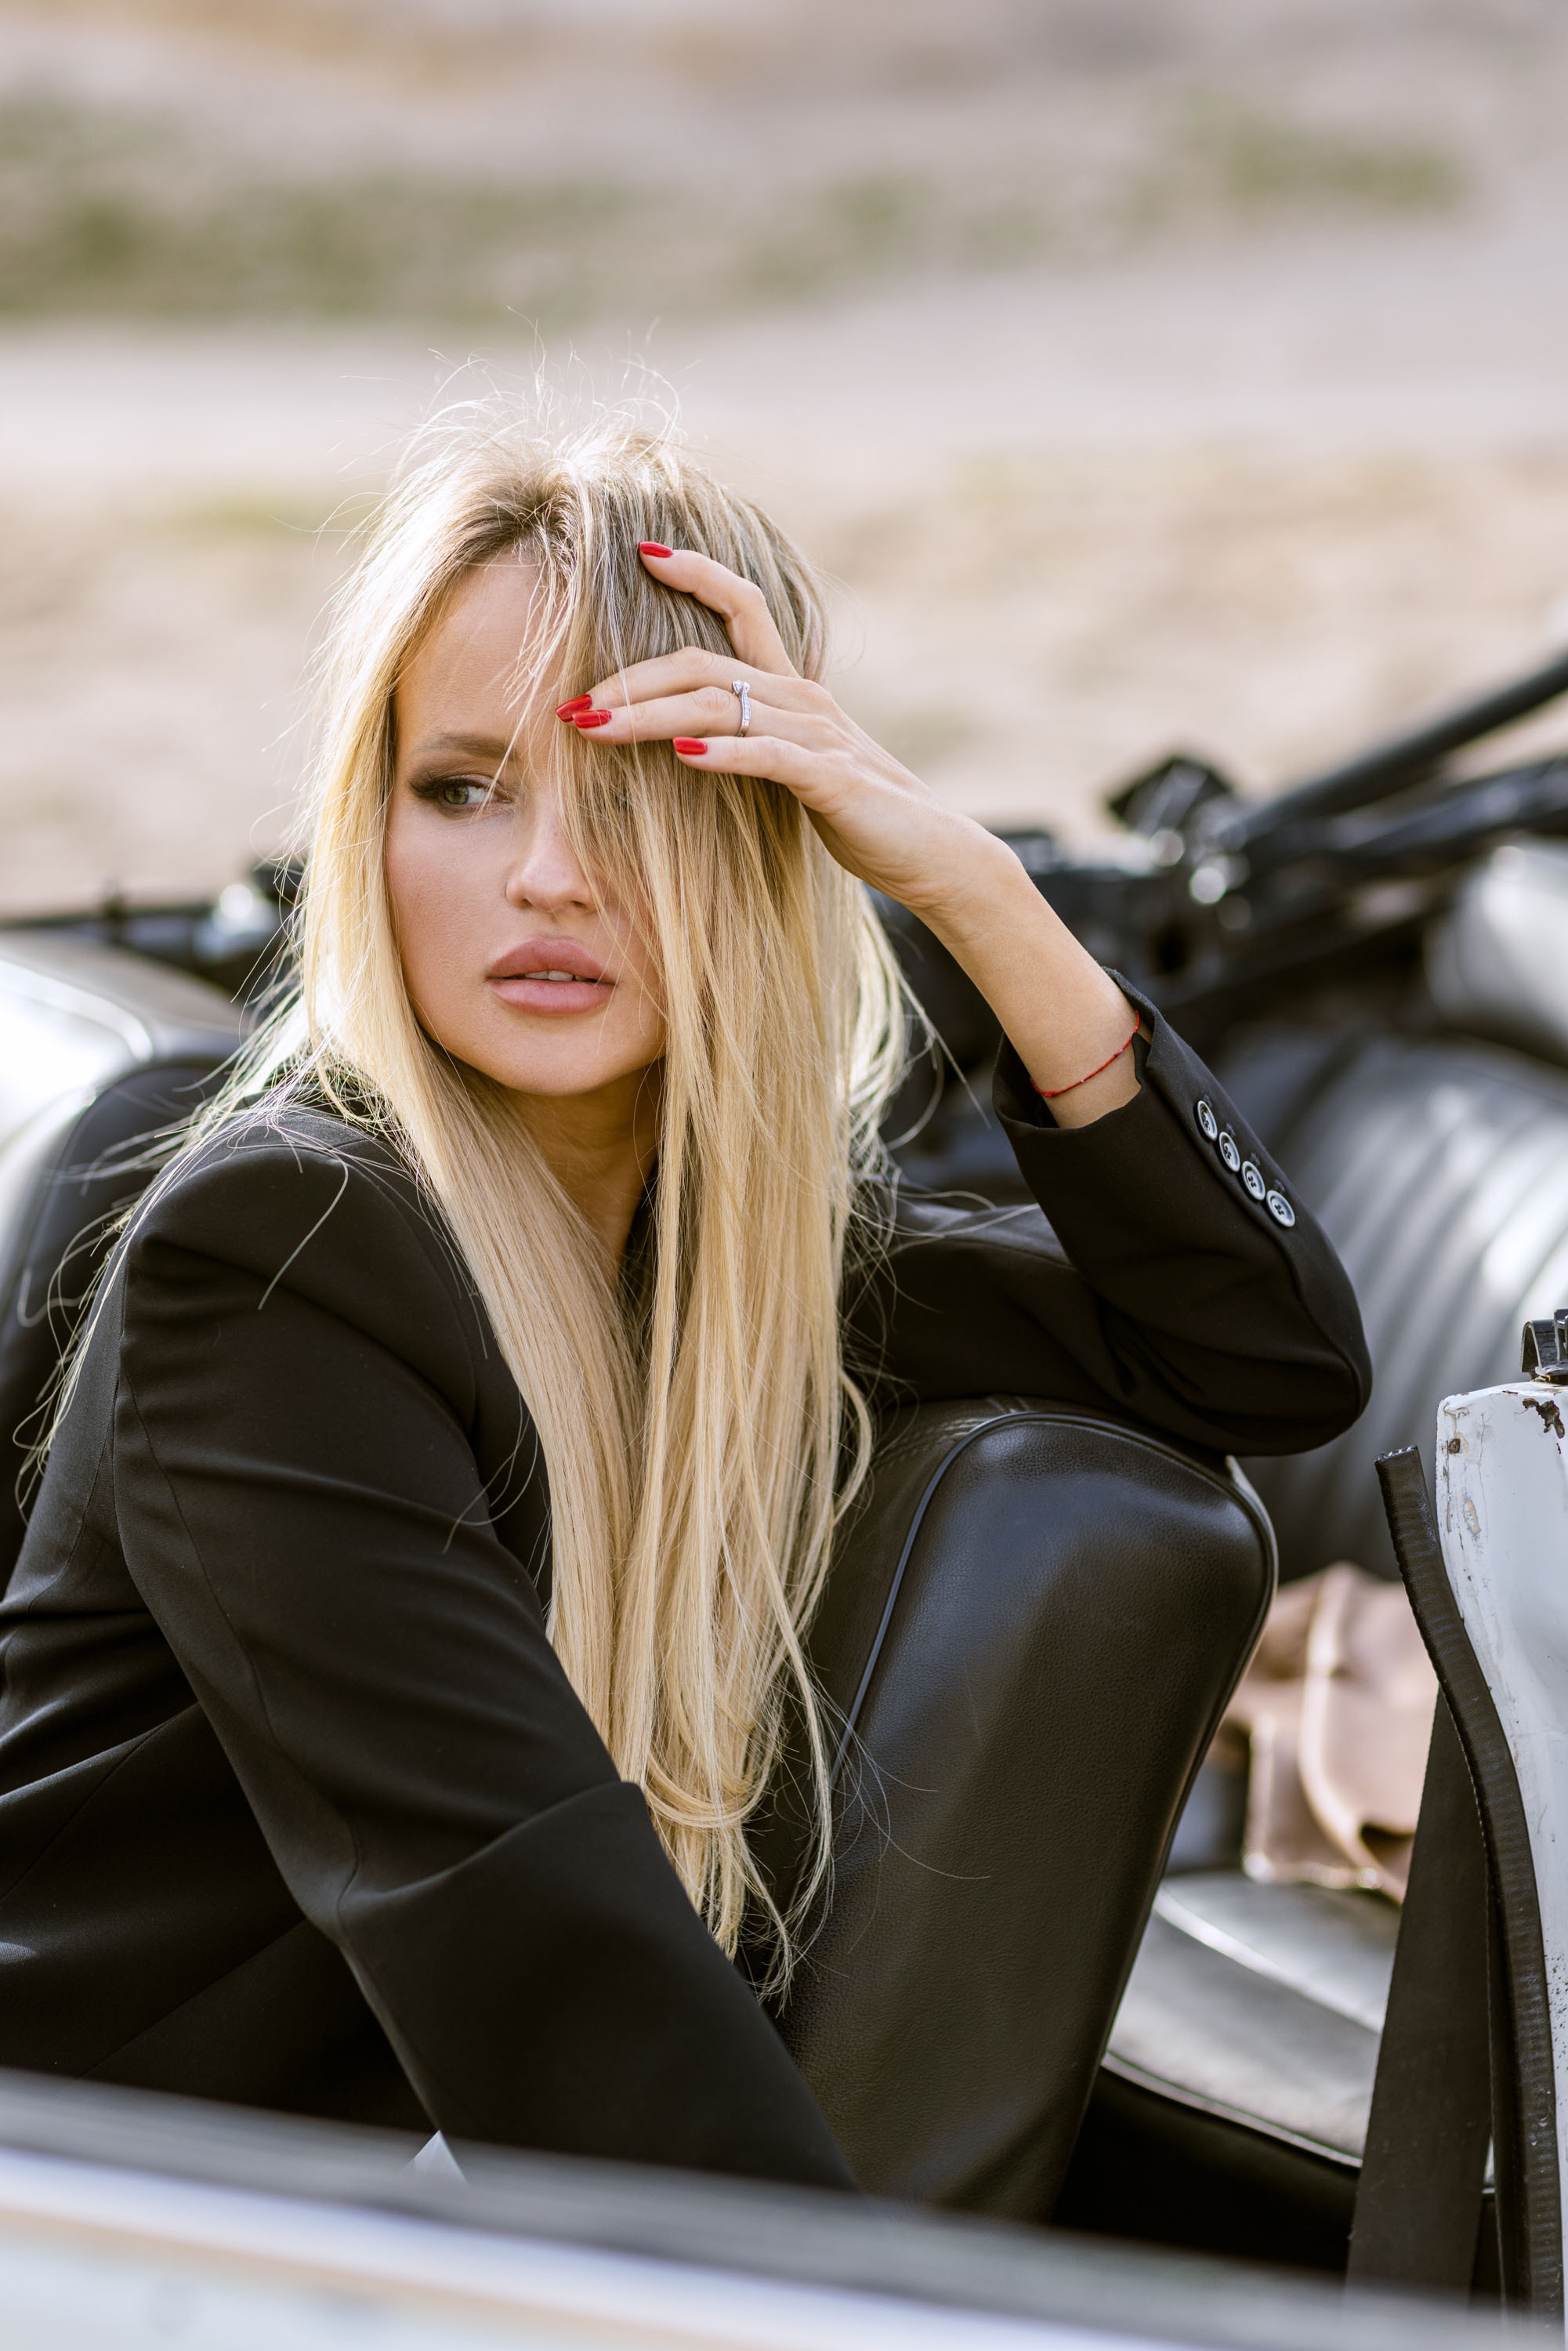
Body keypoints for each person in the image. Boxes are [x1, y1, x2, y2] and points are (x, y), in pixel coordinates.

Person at [0, 410, 1369, 2189]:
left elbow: (1263, 1354)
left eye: (641, 798)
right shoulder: (280, 1260)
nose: (546, 877)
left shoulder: (747, 1263)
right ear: (370, 828)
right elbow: (530, 1950)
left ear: (760, 840)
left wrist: (970, 884)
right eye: (461, 787)